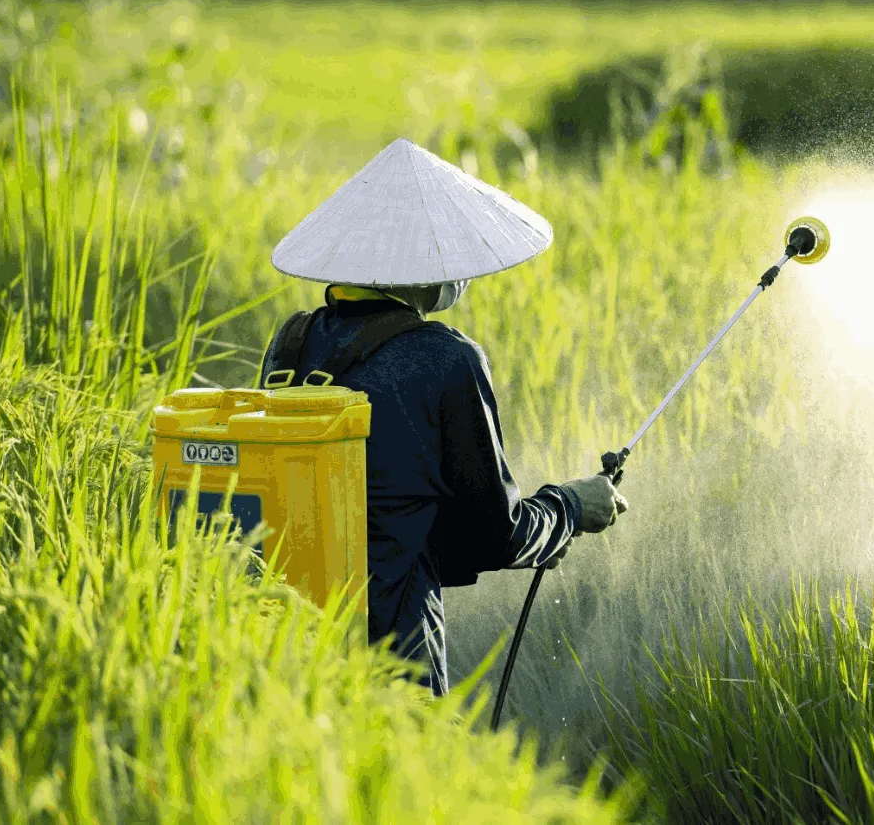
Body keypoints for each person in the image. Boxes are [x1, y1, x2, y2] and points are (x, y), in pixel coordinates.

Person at [259, 139, 627, 694]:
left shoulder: (290, 346)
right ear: (419, 266)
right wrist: (571, 507)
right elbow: (491, 538)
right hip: (392, 656)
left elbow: (390, 506)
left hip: (281, 641)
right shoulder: (447, 359)